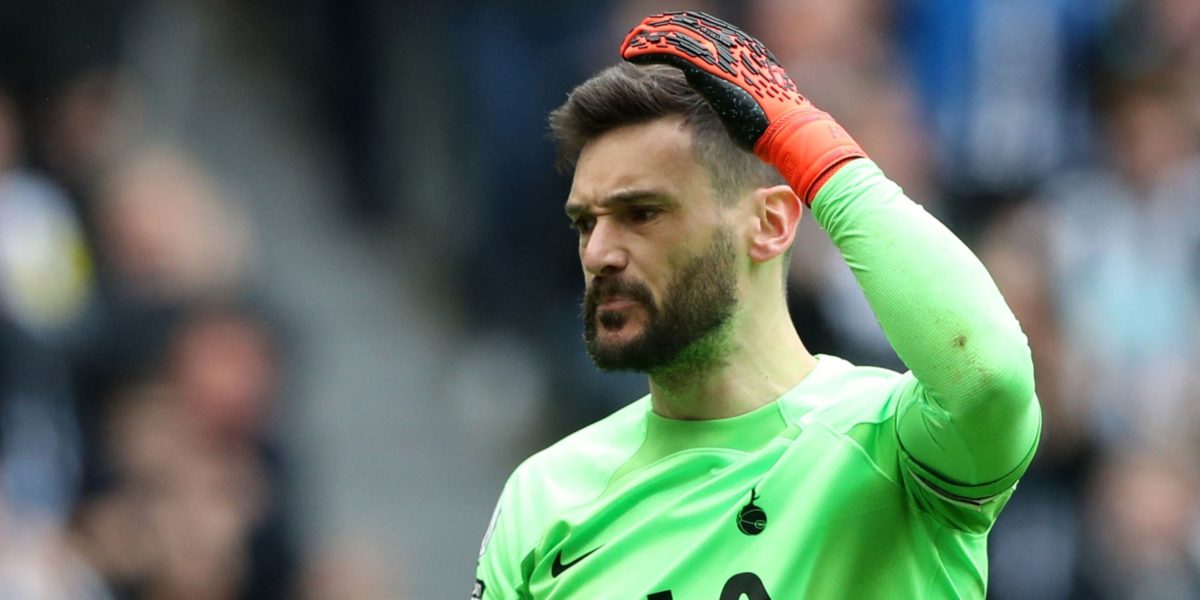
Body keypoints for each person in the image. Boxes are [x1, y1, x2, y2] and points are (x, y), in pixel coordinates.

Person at [474, 11, 1041, 599]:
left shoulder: (891, 442)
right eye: (585, 223)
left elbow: (989, 376)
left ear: (770, 224)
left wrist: (806, 143)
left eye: (641, 214)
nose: (598, 254)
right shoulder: (545, 496)